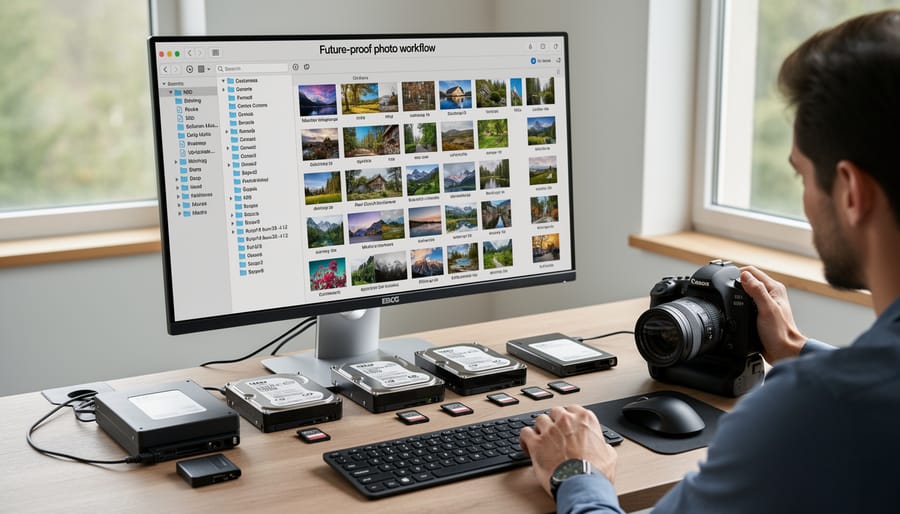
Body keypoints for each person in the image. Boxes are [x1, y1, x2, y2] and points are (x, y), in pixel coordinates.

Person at [519, 9, 900, 513]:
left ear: (850, 192)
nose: (806, 200)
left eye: (801, 177)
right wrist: (793, 348)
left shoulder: (813, 413)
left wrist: (577, 471)